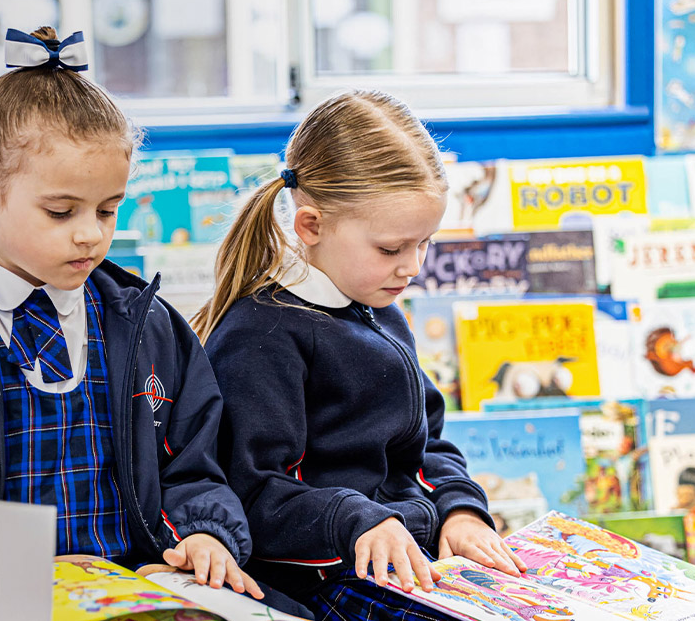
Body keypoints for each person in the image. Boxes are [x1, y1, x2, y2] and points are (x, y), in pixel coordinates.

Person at [0, 26, 307, 616]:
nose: (91, 233)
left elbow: (195, 462)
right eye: (61, 211)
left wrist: (203, 533)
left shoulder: (149, 327)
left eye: (108, 209)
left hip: (140, 583)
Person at [193, 90, 526, 619]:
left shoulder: (377, 304)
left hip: (411, 556)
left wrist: (461, 510)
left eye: (425, 243)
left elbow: (424, 444)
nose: (413, 266)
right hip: (325, 577)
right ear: (311, 226)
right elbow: (251, 494)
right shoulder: (263, 336)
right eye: (392, 249)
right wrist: (360, 520)